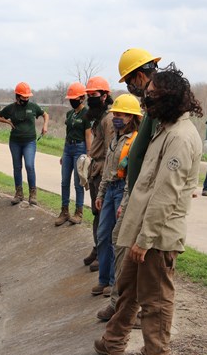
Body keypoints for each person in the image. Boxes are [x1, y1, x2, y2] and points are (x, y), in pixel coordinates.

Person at [94, 65, 203, 355]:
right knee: (127, 288)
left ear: (169, 99)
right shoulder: (164, 129)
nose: (145, 102)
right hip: (140, 230)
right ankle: (113, 341)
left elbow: (166, 195)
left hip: (157, 236)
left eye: (152, 97)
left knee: (155, 299)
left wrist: (145, 239)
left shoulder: (181, 138)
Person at [96, 47, 161, 323]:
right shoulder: (150, 106)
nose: (130, 87)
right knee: (118, 242)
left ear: (138, 75)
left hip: (145, 194)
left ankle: (132, 310)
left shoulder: (158, 107)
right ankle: (119, 302)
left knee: (141, 253)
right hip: (130, 191)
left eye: (130, 81)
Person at [91, 94, 142, 297]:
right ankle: (103, 279)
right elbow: (108, 168)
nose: (116, 117)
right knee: (103, 235)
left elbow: (132, 176)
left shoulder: (135, 141)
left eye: (120, 114)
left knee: (116, 238)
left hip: (122, 190)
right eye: (115, 114)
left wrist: (125, 201)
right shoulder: (115, 138)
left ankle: (113, 282)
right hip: (110, 189)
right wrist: (101, 192)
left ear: (131, 117)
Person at [0, 82, 49, 205]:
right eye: (24, 97)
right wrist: (8, 122)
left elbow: (45, 114)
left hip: (29, 142)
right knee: (17, 167)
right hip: (15, 142)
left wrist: (45, 126)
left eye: (27, 97)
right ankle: (19, 194)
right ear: (17, 96)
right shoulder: (11, 108)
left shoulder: (33, 107)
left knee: (29, 166)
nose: (26, 99)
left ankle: (33, 194)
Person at [82, 76, 115, 271]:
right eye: (88, 95)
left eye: (93, 95)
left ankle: (104, 257)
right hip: (95, 169)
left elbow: (112, 149)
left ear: (104, 96)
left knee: (104, 216)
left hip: (104, 171)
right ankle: (98, 249)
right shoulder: (99, 117)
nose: (90, 98)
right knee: (96, 213)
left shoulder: (109, 119)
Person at [55, 82, 92, 226]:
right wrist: (63, 153)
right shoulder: (69, 114)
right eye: (70, 98)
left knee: (78, 183)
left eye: (74, 98)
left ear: (82, 98)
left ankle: (79, 212)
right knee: (64, 181)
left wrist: (88, 154)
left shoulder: (86, 114)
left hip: (80, 148)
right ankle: (64, 211)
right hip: (68, 149)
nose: (72, 100)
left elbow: (88, 135)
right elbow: (67, 133)